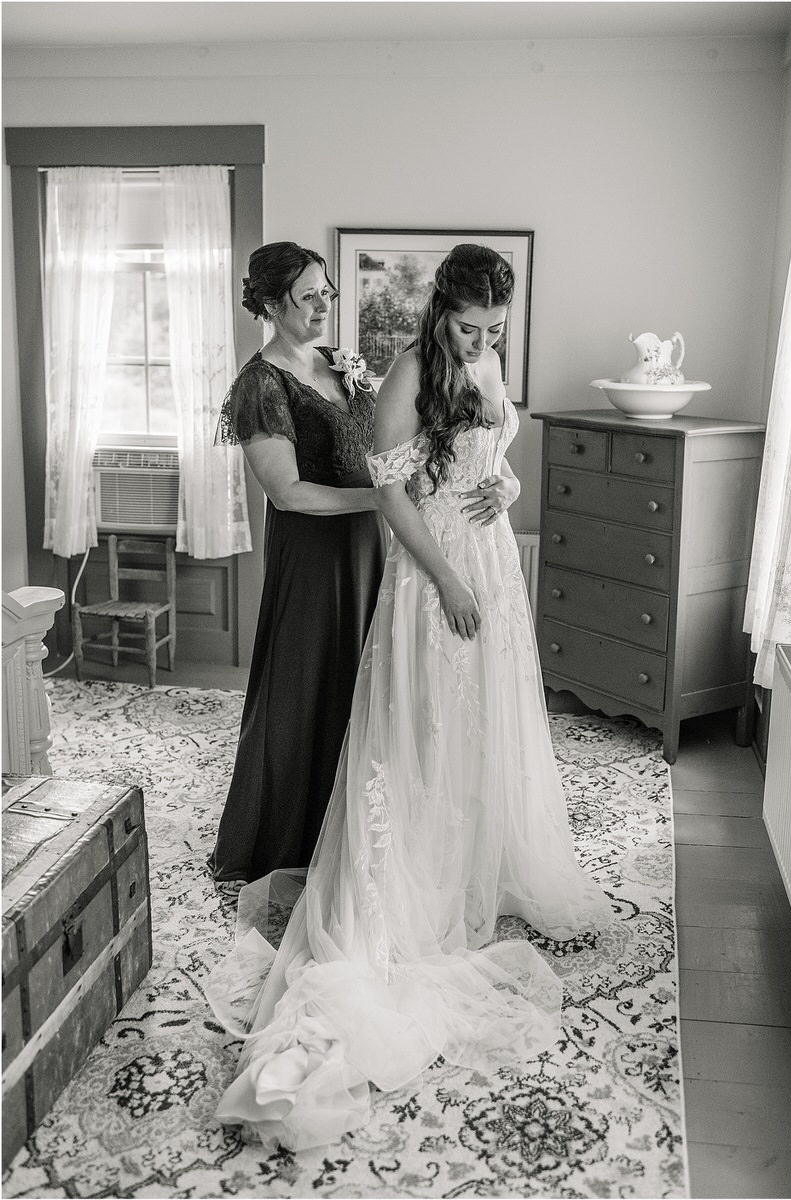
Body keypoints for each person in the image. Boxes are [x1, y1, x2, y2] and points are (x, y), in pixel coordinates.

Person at [206, 243, 614, 1150]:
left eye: (493, 330)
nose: (479, 341)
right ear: (440, 312)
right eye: (467, 327)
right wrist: (446, 581)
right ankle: (402, 864)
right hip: (435, 572)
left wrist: (502, 482)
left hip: (490, 561)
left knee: (484, 724)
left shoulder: (482, 360)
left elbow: (492, 454)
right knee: (414, 719)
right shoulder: (402, 373)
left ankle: (474, 845)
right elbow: (391, 497)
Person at [208, 242, 388, 896]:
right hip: (313, 554)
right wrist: (382, 498)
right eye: (307, 296)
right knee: (306, 683)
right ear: (268, 303)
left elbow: (372, 445)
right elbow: (287, 492)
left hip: (367, 543)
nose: (323, 305)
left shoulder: (334, 363)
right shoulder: (260, 385)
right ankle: (286, 834)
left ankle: (355, 824)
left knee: (361, 680)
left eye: (326, 292)